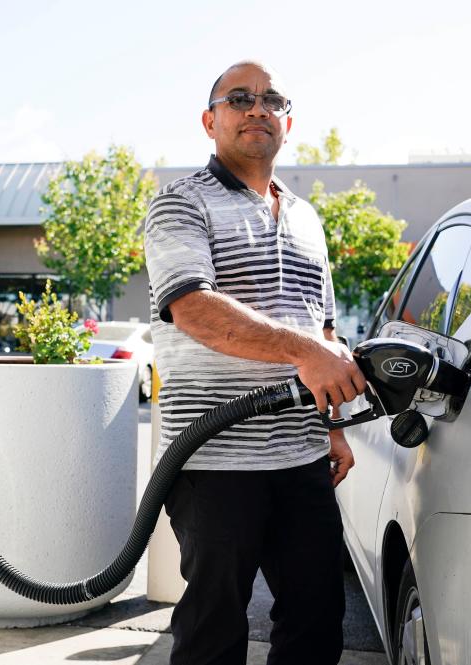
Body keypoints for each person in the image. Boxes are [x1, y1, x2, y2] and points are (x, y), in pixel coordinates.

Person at [144, 60, 367, 665]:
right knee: (215, 629)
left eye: (272, 99)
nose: (257, 108)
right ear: (209, 120)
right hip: (215, 460)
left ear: (286, 123)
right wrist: (305, 351)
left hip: (299, 453)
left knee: (317, 618)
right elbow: (191, 307)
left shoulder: (306, 217)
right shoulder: (180, 203)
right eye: (238, 98)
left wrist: (334, 427)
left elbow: (319, 326)